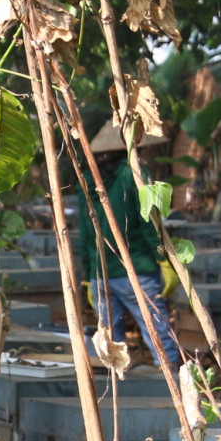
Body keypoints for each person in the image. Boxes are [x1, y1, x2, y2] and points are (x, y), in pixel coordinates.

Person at [77, 121, 182, 367]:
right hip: (137, 269)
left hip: (100, 275)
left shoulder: (87, 180)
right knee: (158, 333)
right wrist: (163, 259)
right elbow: (149, 223)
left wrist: (88, 274)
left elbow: (84, 233)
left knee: (112, 347)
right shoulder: (133, 173)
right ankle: (172, 382)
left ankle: (121, 391)